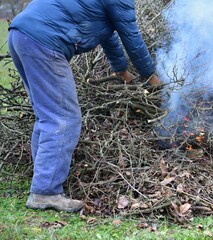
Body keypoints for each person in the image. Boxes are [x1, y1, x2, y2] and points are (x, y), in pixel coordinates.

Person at [7, 0, 160, 212]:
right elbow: (131, 38)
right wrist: (152, 77)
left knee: (47, 115)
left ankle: (43, 178)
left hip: (21, 34)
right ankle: (45, 192)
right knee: (64, 118)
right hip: (45, 41)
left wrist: (121, 71)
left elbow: (109, 33)